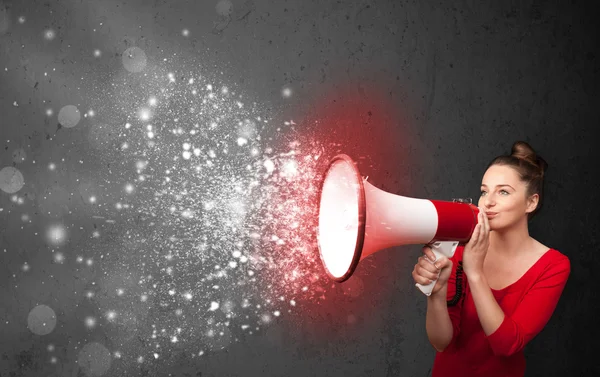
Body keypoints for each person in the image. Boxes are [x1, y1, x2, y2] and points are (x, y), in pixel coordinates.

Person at [411, 141, 570, 377]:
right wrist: (437, 293)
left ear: (531, 202)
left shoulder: (553, 266)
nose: (488, 201)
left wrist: (475, 273)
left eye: (503, 191)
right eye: (484, 191)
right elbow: (441, 343)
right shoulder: (460, 247)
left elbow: (507, 345)